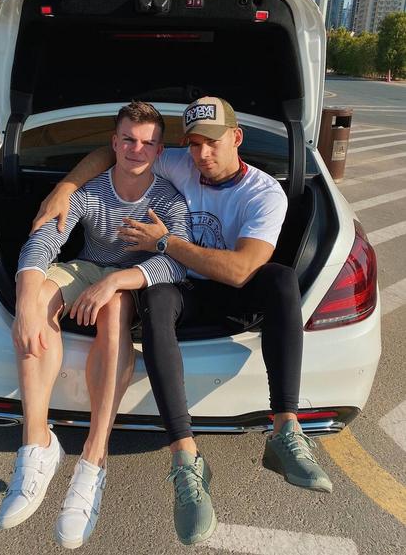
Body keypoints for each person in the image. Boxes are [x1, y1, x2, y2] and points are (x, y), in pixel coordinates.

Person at [31, 96, 333, 546]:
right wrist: (66, 188)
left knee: (282, 279)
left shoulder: (264, 192)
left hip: (234, 293)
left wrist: (166, 242)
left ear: (236, 137)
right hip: (183, 288)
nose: (202, 155)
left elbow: (240, 271)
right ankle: (185, 457)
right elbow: (113, 152)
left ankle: (285, 429)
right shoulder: (180, 162)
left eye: (212, 142)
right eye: (193, 144)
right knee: (156, 299)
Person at [0, 102, 193, 549]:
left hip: (134, 282)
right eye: (128, 139)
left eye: (147, 143)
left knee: (115, 309)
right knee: (39, 298)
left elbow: (177, 262)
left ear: (159, 150)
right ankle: (37, 444)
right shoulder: (89, 191)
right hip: (87, 267)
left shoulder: (168, 199)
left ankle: (93, 458)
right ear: (114, 143)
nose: (136, 149)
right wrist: (25, 305)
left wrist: (117, 281)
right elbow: (44, 240)